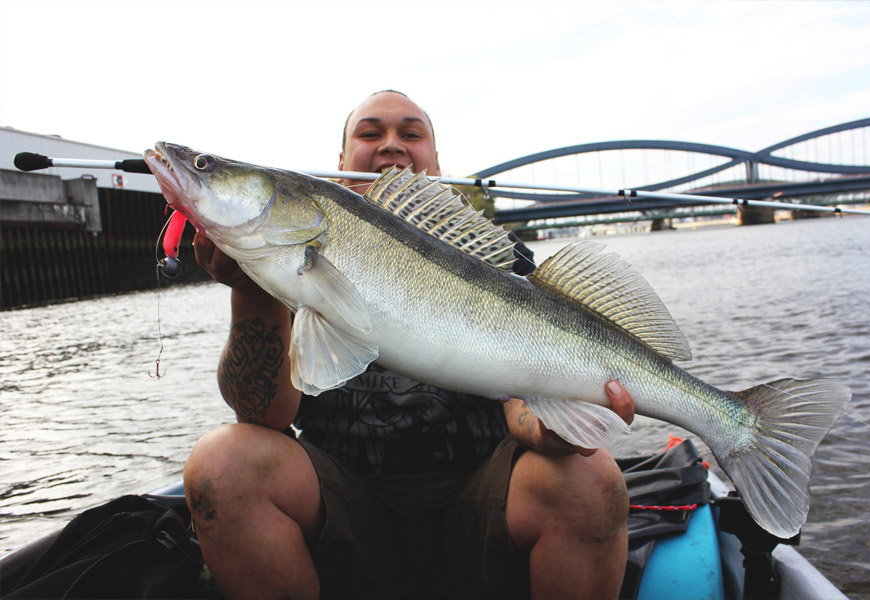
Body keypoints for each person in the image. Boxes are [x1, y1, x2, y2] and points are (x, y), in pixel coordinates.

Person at [184, 90, 636, 600]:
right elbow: (262, 417)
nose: (391, 145)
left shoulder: (496, 260)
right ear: (338, 164)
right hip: (345, 505)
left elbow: (520, 405)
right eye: (370, 133)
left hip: (482, 501)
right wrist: (248, 292)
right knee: (222, 464)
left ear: (437, 161)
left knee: (590, 475)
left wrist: (556, 429)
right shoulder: (291, 252)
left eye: (411, 133)